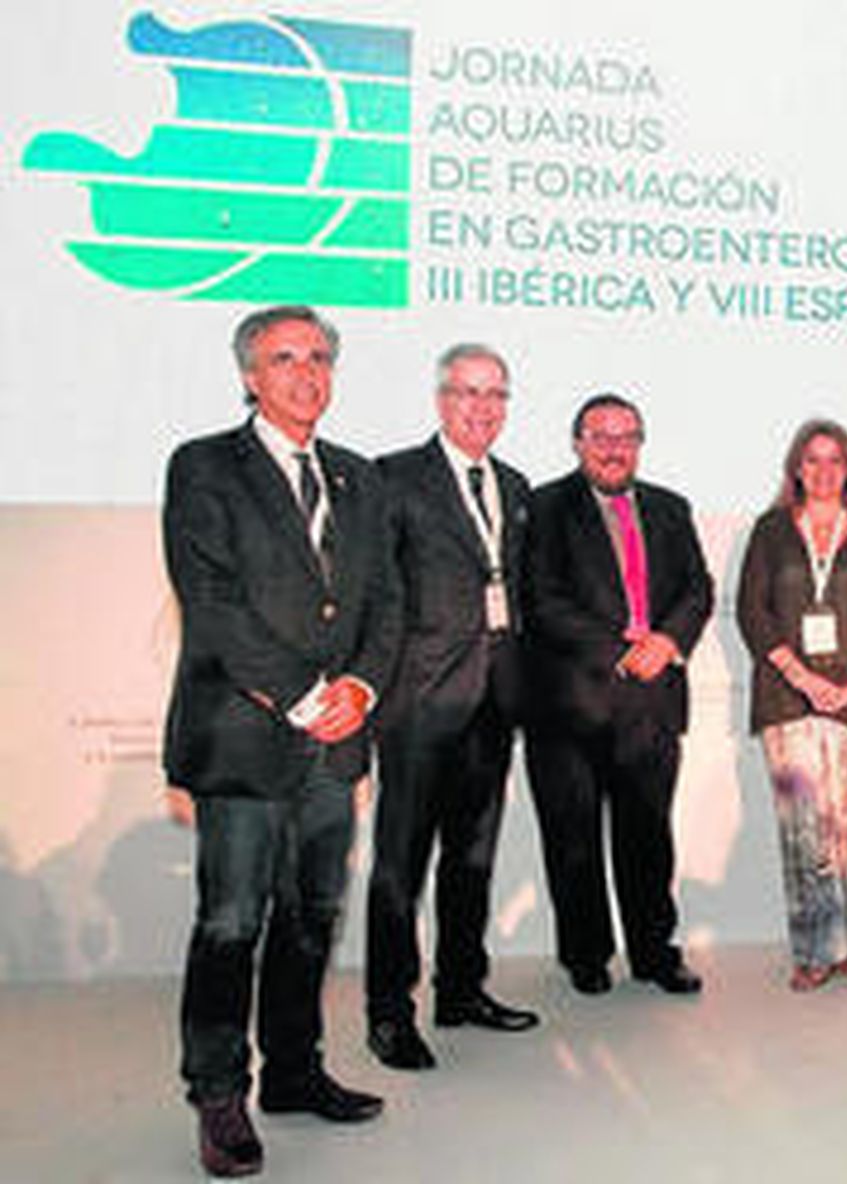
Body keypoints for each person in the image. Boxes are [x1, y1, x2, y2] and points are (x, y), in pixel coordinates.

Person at [162, 305, 400, 1177]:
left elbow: (388, 606)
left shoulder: (359, 479)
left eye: (320, 356)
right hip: (244, 739)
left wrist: (363, 687)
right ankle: (218, 1093)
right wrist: (305, 698)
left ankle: (295, 1073)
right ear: (251, 377)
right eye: (286, 358)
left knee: (313, 916)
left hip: (336, 747)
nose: (308, 372)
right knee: (232, 922)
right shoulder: (203, 467)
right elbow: (213, 603)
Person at [364, 344, 539, 1072]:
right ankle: (388, 1014)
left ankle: (461, 989)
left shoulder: (516, 482)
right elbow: (377, 592)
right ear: (441, 399)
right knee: (400, 864)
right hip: (417, 703)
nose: (482, 407)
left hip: (494, 702)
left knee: (472, 859)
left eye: (496, 394)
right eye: (468, 392)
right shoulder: (393, 477)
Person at [523, 393, 713, 996]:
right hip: (571, 704)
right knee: (573, 840)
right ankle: (586, 956)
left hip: (652, 703)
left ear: (640, 443)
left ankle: (655, 952)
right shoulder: (545, 507)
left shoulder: (670, 507)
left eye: (626, 436)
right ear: (577, 442)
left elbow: (698, 589)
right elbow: (543, 599)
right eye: (600, 436)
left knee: (648, 837)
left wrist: (669, 641)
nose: (613, 448)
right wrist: (621, 650)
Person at [736, 420, 847, 991]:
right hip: (787, 699)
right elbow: (752, 612)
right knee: (800, 830)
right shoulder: (770, 530)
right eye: (813, 459)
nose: (825, 470)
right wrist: (802, 676)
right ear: (796, 468)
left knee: (836, 829)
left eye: (836, 459)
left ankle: (835, 941)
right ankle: (815, 951)